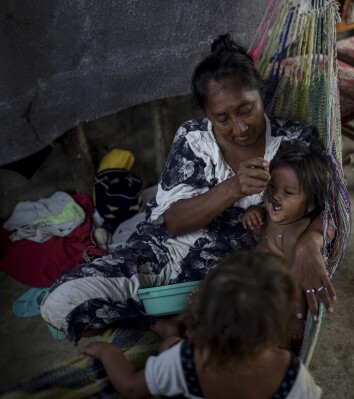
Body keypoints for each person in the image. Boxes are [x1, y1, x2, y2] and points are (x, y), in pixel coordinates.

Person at [40, 33, 336, 343]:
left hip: (236, 278)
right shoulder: (194, 139)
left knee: (264, 330)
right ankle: (169, 318)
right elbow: (174, 222)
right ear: (207, 115)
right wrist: (233, 187)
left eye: (246, 109)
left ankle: (171, 322)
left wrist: (308, 244)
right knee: (61, 301)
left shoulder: (294, 143)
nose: (239, 127)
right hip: (164, 257)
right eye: (222, 118)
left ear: (262, 93)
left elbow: (328, 206)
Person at [80, 252, 323, 399]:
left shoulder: (186, 360)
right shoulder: (289, 372)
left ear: (207, 318)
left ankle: (173, 333)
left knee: (169, 345)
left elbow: (132, 389)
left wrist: (107, 352)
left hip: (186, 358)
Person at [242, 140, 330, 340]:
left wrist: (296, 318)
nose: (275, 197)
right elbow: (263, 235)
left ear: (310, 205)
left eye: (288, 193)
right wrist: (253, 214)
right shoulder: (276, 215)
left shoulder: (293, 233)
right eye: (272, 187)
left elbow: (296, 278)